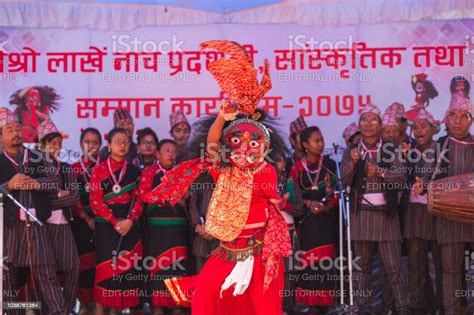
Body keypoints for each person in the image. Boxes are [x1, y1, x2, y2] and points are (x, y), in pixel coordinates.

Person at [144, 40, 290, 315]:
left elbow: (273, 202)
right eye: (237, 140)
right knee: (208, 299)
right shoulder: (223, 168)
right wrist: (222, 118)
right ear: (229, 144)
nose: (245, 146)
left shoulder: (267, 171)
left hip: (259, 254)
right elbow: (212, 146)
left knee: (262, 307)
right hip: (226, 251)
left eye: (253, 142)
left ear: (264, 147)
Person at [341, 103, 410, 315]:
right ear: (359, 124)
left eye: (373, 120)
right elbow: (342, 181)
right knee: (363, 269)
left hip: (386, 216)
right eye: (364, 119)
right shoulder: (352, 151)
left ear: (380, 125)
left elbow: (401, 179)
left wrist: (379, 171)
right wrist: (352, 165)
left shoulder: (391, 148)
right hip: (361, 215)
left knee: (394, 268)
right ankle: (364, 309)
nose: (368, 124)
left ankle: (403, 308)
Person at [0, 107, 66, 314]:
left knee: (46, 274)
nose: (16, 132)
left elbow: (55, 182)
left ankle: (59, 311)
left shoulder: (37, 156)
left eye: (18, 128)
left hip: (37, 226)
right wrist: (9, 185)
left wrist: (34, 184)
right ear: (1, 135)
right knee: (7, 277)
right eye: (9, 129)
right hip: (9, 227)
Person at [90, 127, 144, 315]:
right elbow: (95, 202)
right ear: (109, 145)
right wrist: (114, 221)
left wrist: (129, 221)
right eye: (118, 141)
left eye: (125, 142)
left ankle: (116, 311)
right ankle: (99, 311)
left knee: (124, 270)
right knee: (106, 269)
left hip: (129, 228)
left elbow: (140, 199)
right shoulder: (98, 170)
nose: (122, 145)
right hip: (107, 228)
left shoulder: (135, 170)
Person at [291, 126, 338, 314]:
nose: (321, 144)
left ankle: (324, 305)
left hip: (326, 221)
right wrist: (309, 203)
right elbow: (292, 195)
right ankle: (311, 306)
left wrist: (327, 206)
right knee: (309, 264)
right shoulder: (296, 168)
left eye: (322, 140)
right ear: (305, 144)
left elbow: (335, 193)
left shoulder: (329, 165)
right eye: (316, 140)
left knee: (325, 264)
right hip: (307, 222)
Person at [138, 139, 189, 315]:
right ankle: (157, 305)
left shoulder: (181, 173)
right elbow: (144, 195)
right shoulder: (149, 172)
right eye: (166, 150)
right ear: (157, 154)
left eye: (173, 151)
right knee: (157, 266)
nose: (171, 154)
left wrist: (184, 196)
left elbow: (188, 197)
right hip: (156, 228)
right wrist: (167, 197)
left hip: (178, 228)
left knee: (177, 266)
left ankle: (176, 305)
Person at [433, 92, 473, 315]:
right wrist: (421, 184)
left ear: (471, 120)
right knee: (450, 270)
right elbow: (427, 178)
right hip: (448, 218)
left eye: (463, 115)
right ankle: (452, 310)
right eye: (452, 115)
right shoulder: (439, 146)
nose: (457, 120)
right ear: (446, 119)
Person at [38, 119, 81, 314]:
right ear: (42, 145)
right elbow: (36, 200)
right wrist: (57, 194)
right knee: (46, 271)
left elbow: (73, 196)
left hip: (63, 223)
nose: (56, 147)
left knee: (73, 267)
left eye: (58, 143)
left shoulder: (66, 168)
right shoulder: (33, 168)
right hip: (40, 225)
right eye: (51, 143)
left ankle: (67, 308)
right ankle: (48, 309)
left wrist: (51, 197)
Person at [403, 109, 442, 314]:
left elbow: (439, 177)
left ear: (433, 129)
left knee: (439, 264)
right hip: (414, 214)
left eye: (423, 126)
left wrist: (425, 185)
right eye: (415, 127)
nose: (419, 131)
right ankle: (418, 308)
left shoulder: (441, 150)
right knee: (416, 265)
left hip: (436, 213)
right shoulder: (407, 151)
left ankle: (442, 306)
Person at [71, 127, 102, 312]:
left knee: (102, 265)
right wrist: (86, 218)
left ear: (100, 145)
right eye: (87, 142)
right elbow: (72, 199)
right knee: (84, 265)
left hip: (104, 223)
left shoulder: (106, 167)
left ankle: (102, 305)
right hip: (81, 223)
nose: (91, 146)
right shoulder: (73, 169)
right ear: (81, 144)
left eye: (95, 142)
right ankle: (83, 304)